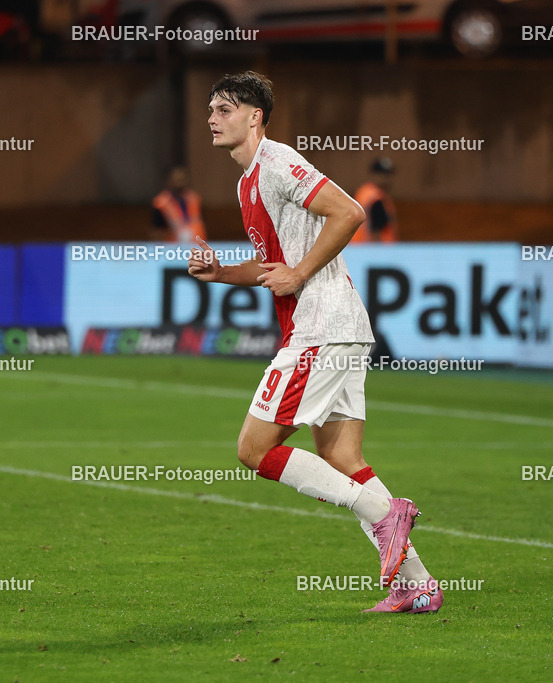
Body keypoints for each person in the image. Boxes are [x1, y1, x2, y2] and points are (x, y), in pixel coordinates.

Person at [187, 71, 441, 613]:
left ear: (255, 117)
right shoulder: (248, 182)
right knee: (342, 456)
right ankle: (417, 585)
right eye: (210, 109)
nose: (212, 118)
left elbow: (350, 212)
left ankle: (385, 512)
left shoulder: (277, 162)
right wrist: (221, 273)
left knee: (253, 450)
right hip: (340, 328)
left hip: (321, 328)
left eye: (225, 109)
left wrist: (300, 273)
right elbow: (271, 265)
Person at [150, 166, 206, 244]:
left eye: (182, 180)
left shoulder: (195, 199)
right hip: (172, 247)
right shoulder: (161, 202)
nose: (179, 184)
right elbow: (156, 231)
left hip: (196, 246)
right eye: (176, 180)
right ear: (169, 181)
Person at [352, 157, 399, 243]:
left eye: (389, 175)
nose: (387, 179)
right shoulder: (375, 198)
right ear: (373, 175)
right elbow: (377, 231)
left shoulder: (363, 192)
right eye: (384, 175)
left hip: (358, 247)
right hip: (373, 249)